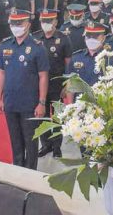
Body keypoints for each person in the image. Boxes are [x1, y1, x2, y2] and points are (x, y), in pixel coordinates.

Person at [0, 10, 49, 169]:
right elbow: (1, 73)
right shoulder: (5, 46)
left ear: (28, 24)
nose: (16, 27)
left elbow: (43, 76)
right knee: (16, 142)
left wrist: (42, 102)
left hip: (30, 105)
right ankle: (18, 169)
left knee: (31, 143)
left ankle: (30, 172)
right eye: (13, 23)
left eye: (19, 23)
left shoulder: (38, 47)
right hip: (10, 103)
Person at [33, 10, 72, 159]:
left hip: (57, 85)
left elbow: (69, 64)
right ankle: (46, 144)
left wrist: (67, 85)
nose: (46, 24)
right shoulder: (36, 37)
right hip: (39, 86)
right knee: (42, 117)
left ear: (56, 22)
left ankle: (57, 147)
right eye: (43, 21)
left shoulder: (63, 39)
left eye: (49, 21)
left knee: (56, 117)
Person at [65, 22, 108, 99]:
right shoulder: (76, 58)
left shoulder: (109, 58)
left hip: (102, 104)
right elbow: (70, 85)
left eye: (95, 37)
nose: (91, 39)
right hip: (80, 104)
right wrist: (70, 106)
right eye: (88, 36)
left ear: (103, 38)